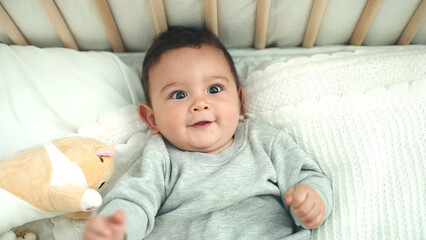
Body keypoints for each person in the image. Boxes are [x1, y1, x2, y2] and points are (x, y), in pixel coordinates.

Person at [83, 27, 332, 240]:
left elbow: (308, 176)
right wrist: (117, 225)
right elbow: (134, 199)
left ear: (239, 102)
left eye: (214, 89)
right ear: (152, 118)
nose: (200, 103)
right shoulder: (160, 156)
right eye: (179, 95)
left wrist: (312, 199)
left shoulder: (265, 141)